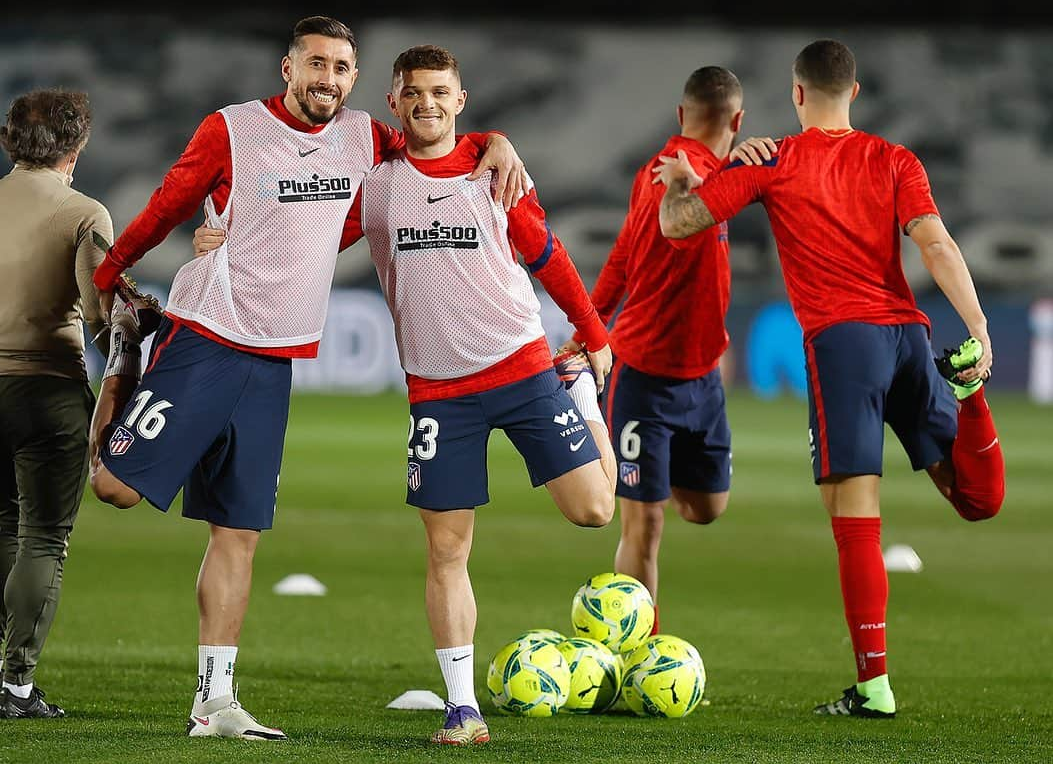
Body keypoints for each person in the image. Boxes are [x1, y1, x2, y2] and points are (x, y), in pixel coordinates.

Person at [87, 16, 527, 741]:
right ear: (287, 68)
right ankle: (128, 363)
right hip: (207, 335)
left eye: (340, 68)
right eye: (315, 63)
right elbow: (169, 203)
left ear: (354, 81)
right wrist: (109, 277)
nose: (327, 78)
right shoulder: (232, 128)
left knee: (239, 533)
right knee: (115, 486)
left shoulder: (362, 136)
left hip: (275, 361)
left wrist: (494, 143)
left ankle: (214, 703)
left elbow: (435, 137)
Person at [198, 43, 618, 746]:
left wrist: (591, 334)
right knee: (446, 550)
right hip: (438, 393)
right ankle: (462, 707)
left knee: (595, 511)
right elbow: (301, 234)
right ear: (394, 102)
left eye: (440, 91)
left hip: (521, 367)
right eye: (413, 91)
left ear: (460, 101)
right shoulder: (376, 186)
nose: (427, 101)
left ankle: (577, 396)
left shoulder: (494, 172)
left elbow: (547, 254)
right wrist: (228, 235)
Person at [654, 39, 1005, 718]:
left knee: (855, 523)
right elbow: (934, 241)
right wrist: (979, 324)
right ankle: (972, 394)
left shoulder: (772, 161)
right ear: (855, 91)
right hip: (909, 337)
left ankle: (873, 686)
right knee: (975, 500)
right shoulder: (894, 158)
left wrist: (683, 175)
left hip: (842, 347)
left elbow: (678, 225)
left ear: (795, 93)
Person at [572, 67, 744, 633]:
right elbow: (627, 249)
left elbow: (624, 250)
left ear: (681, 114)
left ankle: (650, 474)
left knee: (706, 508)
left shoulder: (711, 176)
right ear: (737, 122)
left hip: (702, 377)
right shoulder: (669, 176)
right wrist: (592, 325)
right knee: (643, 527)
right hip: (644, 375)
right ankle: (637, 648)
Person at [0, 89, 110, 719]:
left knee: (1, 527)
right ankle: (15, 683)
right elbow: (98, 317)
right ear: (78, 144)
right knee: (43, 537)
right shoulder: (83, 212)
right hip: (47, 387)